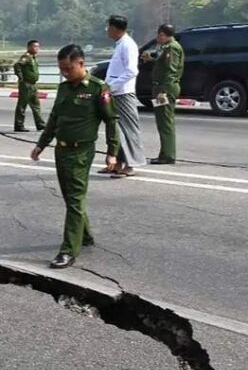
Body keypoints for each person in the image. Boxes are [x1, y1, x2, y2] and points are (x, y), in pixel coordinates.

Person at [30, 44, 119, 269]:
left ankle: (69, 250)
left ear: (81, 63)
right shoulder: (64, 89)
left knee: (75, 198)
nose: (65, 73)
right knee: (71, 198)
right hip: (61, 149)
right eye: (61, 69)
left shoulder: (98, 88)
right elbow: (53, 119)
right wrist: (41, 145)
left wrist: (112, 153)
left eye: (68, 68)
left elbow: (111, 121)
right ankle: (85, 235)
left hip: (81, 152)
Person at [102, 15, 146, 178]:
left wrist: (112, 86)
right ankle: (117, 163)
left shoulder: (128, 45)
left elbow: (132, 71)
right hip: (115, 93)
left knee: (128, 129)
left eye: (108, 27)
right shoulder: (120, 44)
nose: (107, 31)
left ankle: (130, 165)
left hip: (124, 92)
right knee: (116, 129)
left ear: (114, 28)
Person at [143, 24, 184, 165]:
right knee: (161, 121)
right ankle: (164, 153)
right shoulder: (166, 47)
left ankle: (168, 155)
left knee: (165, 122)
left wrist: (163, 91)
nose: (157, 37)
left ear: (163, 34)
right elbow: (163, 65)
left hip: (164, 88)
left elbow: (170, 71)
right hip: (160, 87)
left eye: (159, 35)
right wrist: (151, 60)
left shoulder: (172, 48)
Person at [13, 40, 46, 132]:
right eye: (35, 46)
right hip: (26, 84)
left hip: (33, 85)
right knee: (22, 105)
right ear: (29, 47)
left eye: (38, 47)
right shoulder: (26, 57)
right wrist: (20, 77)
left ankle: (40, 124)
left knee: (36, 105)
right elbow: (17, 65)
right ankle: (19, 125)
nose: (37, 49)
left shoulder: (33, 58)